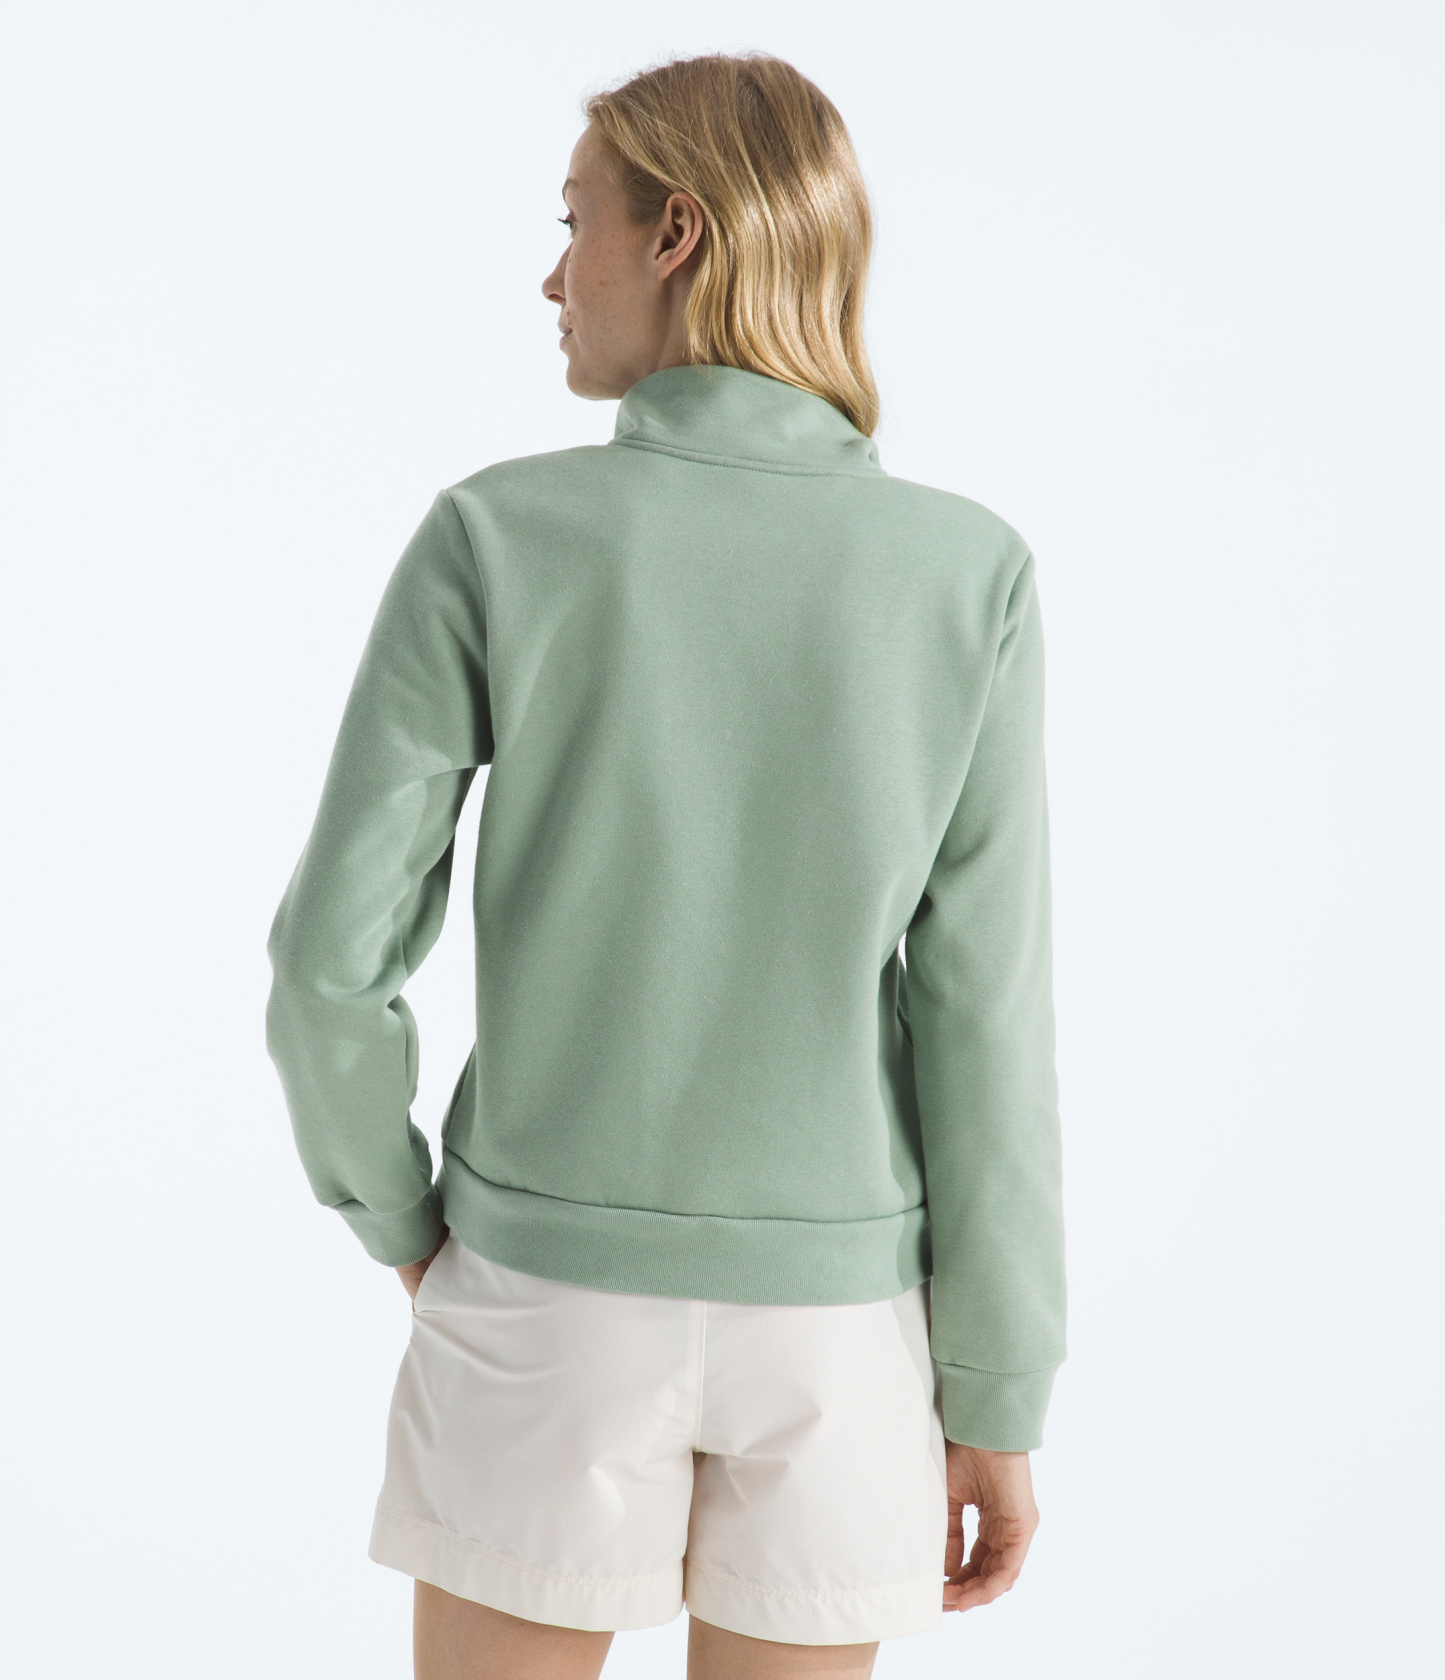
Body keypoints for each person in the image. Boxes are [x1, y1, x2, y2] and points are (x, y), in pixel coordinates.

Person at [266, 50, 1065, 1680]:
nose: (553, 276)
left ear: (678, 234)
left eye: (576, 225)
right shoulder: (965, 573)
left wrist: (398, 1216)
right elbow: (984, 1015)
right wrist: (994, 1389)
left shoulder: (498, 535)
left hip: (541, 1292)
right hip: (842, 1330)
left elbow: (327, 969)